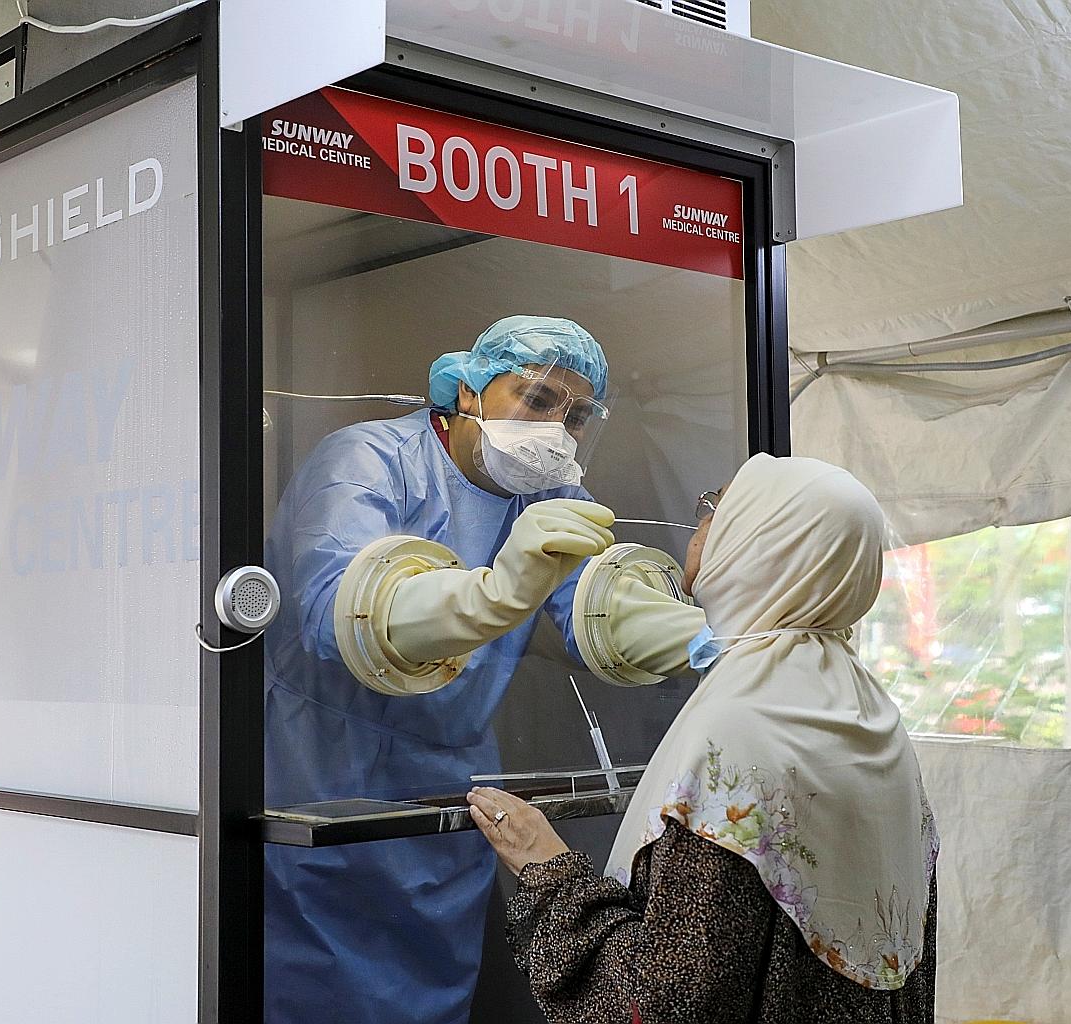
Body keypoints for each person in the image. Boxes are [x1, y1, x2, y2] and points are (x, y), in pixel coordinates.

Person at [262, 315, 706, 1024]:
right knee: (316, 982)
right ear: (467, 392)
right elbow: (334, 609)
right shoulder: (369, 460)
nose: (558, 428)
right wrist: (496, 592)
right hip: (322, 768)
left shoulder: (551, 495)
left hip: (452, 775)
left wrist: (720, 643)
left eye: (578, 414)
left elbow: (599, 615)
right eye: (537, 399)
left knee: (431, 982)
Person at [467, 454, 940, 1024]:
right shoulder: (871, 711)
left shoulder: (738, 738)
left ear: (760, 543)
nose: (701, 525)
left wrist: (547, 870)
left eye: (717, 509)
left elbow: (665, 1002)